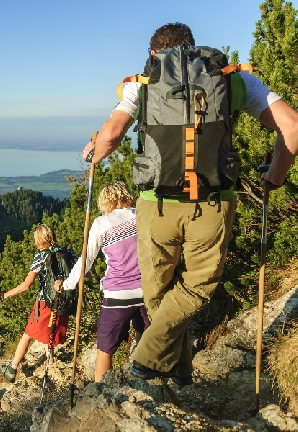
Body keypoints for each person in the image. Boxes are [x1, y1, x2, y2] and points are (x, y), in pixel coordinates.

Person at [82, 23, 298, 385]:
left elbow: (111, 134)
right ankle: (179, 370)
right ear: (193, 48)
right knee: (197, 287)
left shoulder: (143, 82)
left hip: (157, 205)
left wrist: (93, 156)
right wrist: (274, 178)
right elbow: (291, 128)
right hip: (214, 204)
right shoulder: (232, 80)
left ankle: (152, 359)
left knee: (158, 294)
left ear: (154, 54)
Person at [54, 181, 150, 382]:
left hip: (117, 295)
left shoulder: (101, 224)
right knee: (146, 339)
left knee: (105, 350)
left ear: (105, 201)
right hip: (146, 291)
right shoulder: (141, 214)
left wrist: (66, 285)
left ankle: (101, 391)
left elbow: (86, 260)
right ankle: (144, 380)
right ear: (126, 195)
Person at [0, 224, 72, 383]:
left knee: (28, 335)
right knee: (49, 335)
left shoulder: (41, 257)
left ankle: (12, 368)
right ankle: (51, 366)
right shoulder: (68, 253)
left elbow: (26, 285)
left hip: (45, 302)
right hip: (64, 301)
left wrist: (4, 295)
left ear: (38, 240)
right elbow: (86, 273)